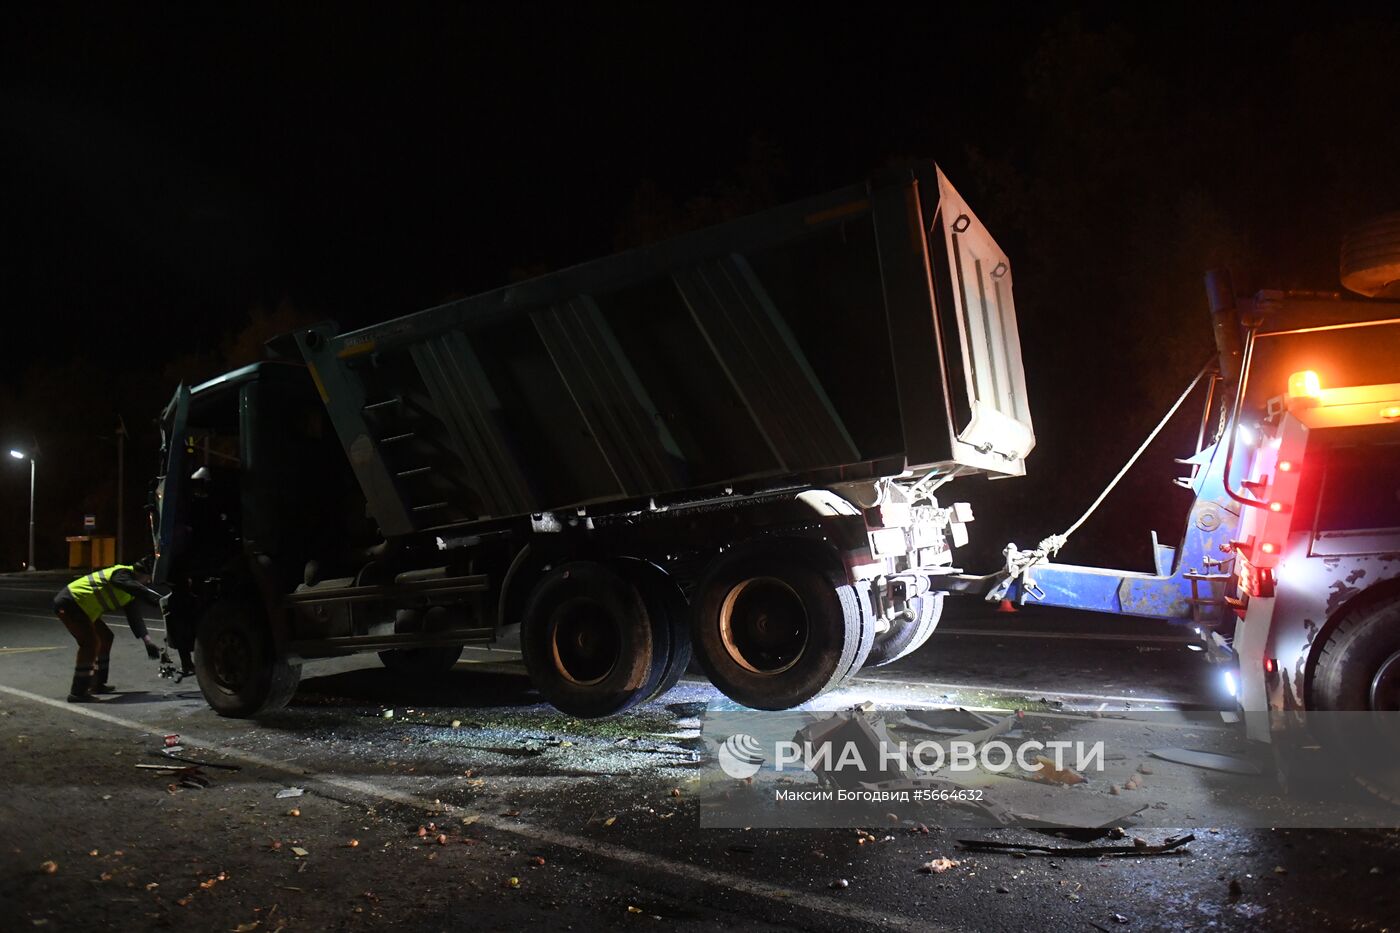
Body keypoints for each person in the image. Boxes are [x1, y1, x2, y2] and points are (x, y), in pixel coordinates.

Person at [52, 555, 164, 702]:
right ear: (141, 573)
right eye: (148, 578)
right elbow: (131, 586)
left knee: (106, 637)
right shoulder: (122, 574)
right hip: (70, 603)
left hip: (83, 609)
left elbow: (135, 618)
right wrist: (157, 598)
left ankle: (97, 684)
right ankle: (78, 692)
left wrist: (147, 642)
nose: (148, 582)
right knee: (90, 643)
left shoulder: (129, 591)